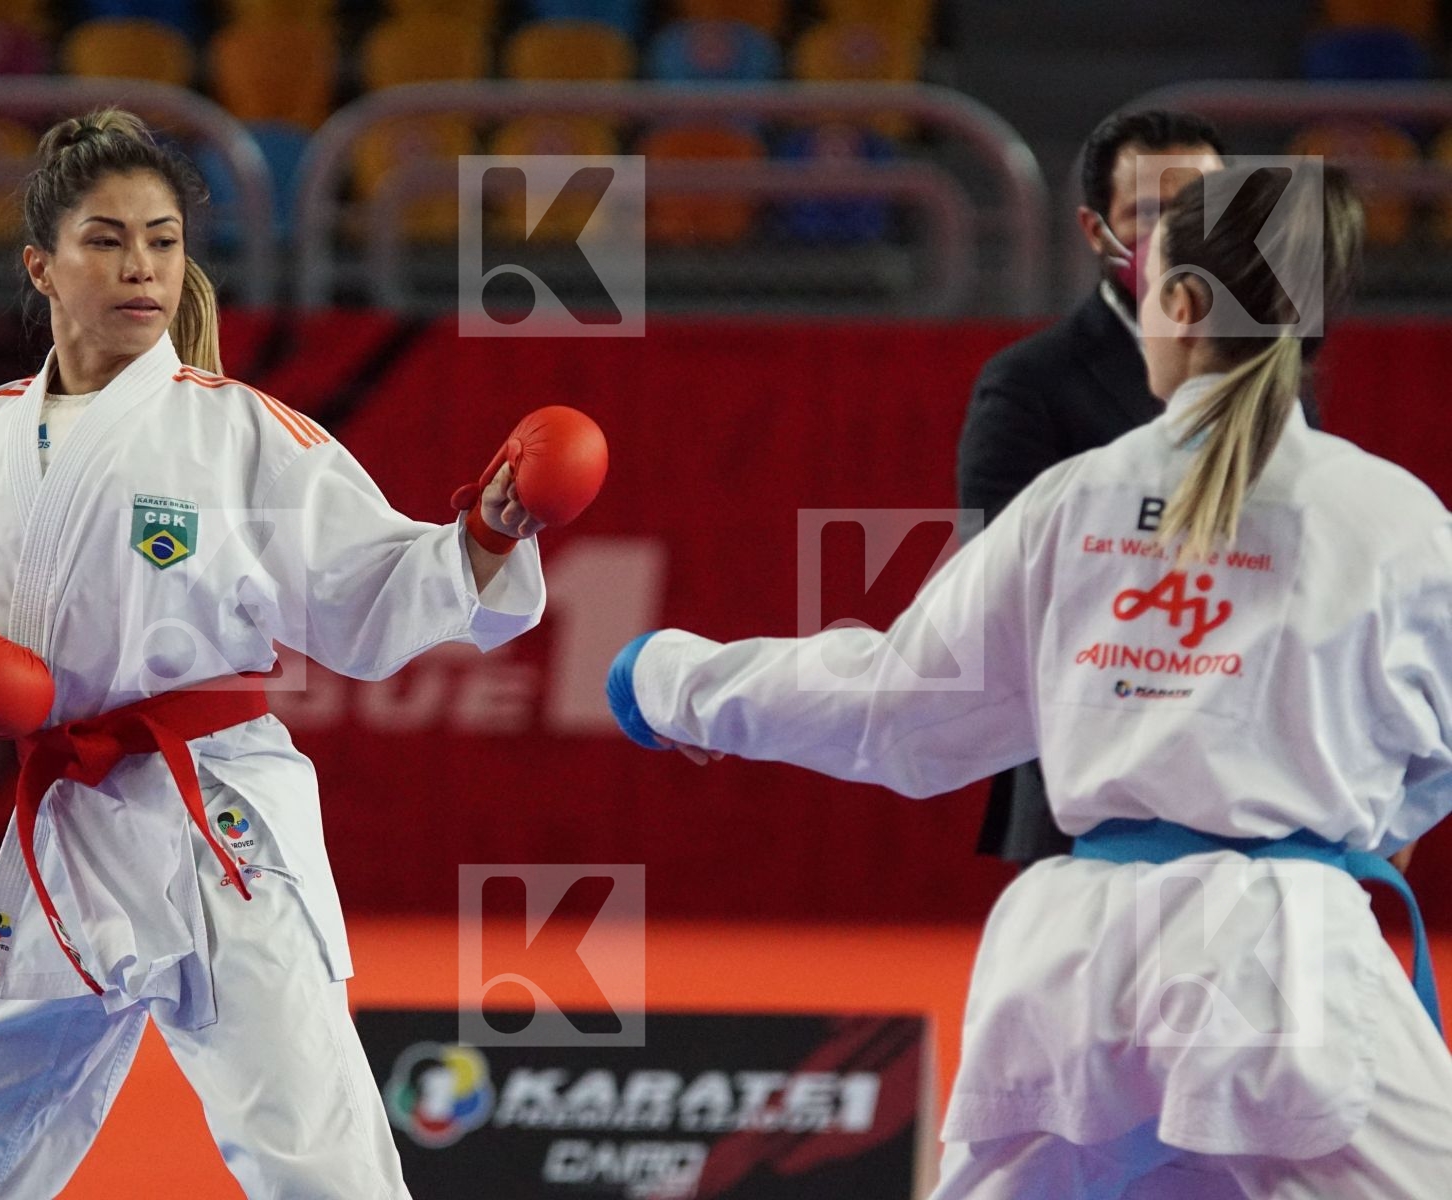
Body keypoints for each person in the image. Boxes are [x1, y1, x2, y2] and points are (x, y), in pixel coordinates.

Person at [608, 162, 1452, 1196]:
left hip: (1072, 970)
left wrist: (668, 681)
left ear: (1181, 304)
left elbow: (897, 711)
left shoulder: (1078, 498)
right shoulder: (1395, 520)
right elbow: (1432, 759)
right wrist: (1353, 822)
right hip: (1286, 975)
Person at [0, 109, 604, 1199]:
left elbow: (377, 590)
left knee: (317, 1163)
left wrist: (484, 536)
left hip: (217, 824)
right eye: (106, 240)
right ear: (42, 267)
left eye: (162, 239)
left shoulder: (240, 431)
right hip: (60, 825)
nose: (141, 266)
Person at [959, 109, 1231, 868]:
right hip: (1085, 788)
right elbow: (993, 576)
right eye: (1149, 214)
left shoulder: (1273, 381)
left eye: (1199, 211)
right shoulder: (1028, 382)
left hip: (1241, 778)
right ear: (1093, 230)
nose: (1179, 236)